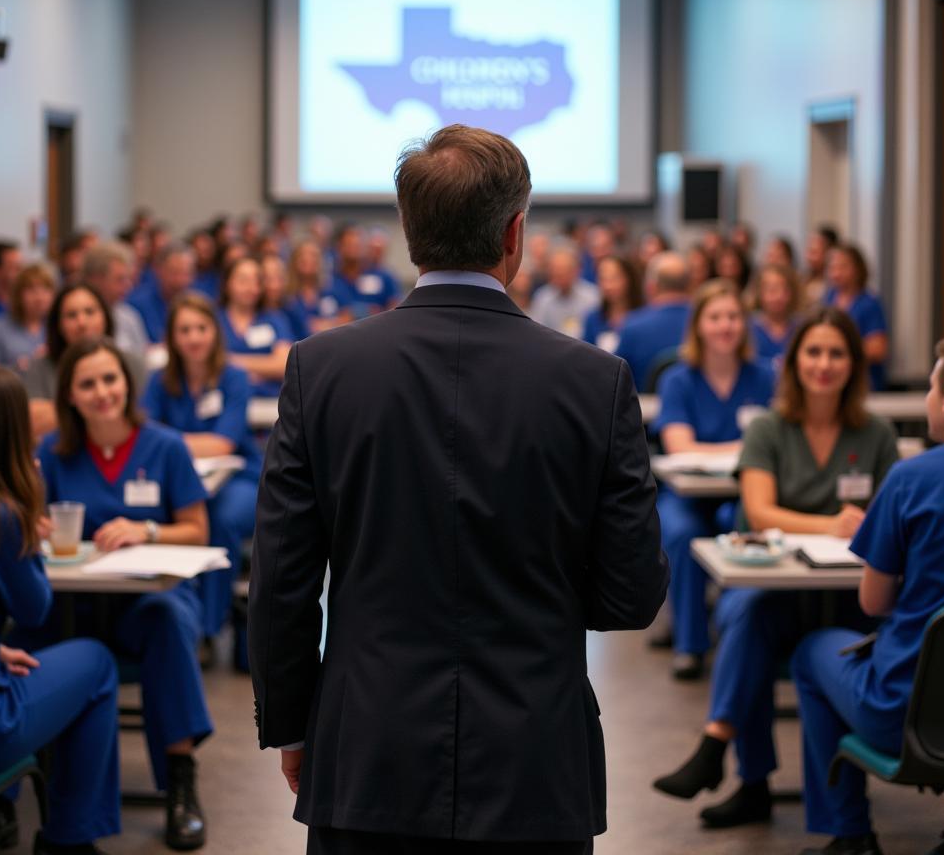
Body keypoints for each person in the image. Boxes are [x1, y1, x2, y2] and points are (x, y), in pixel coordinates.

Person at [248, 124, 669, 855]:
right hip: (537, 760)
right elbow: (629, 596)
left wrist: (291, 723)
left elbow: (282, 579)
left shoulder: (322, 370)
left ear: (408, 232)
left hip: (365, 752)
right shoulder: (595, 383)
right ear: (516, 233)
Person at [653, 307, 898, 830]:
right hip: (780, 589)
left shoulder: (875, 434)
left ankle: (720, 747)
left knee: (760, 625)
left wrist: (850, 525)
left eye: (837, 353)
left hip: (854, 596)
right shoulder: (768, 428)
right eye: (813, 352)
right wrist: (832, 524)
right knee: (749, 616)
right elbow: (760, 511)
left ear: (854, 364)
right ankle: (752, 780)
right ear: (794, 362)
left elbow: (889, 518)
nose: (824, 364)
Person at [0, 366, 120, 855]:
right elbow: (36, 609)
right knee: (97, 663)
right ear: (12, 434)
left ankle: (10, 818)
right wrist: (27, 505)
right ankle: (68, 839)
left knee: (41, 660)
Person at [35, 338, 212, 849]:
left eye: (109, 379)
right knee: (23, 627)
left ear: (127, 384)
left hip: (142, 604)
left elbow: (196, 528)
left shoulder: (164, 446)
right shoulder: (53, 453)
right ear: (69, 394)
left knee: (168, 619)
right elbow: (33, 521)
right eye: (87, 384)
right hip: (74, 602)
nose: (102, 392)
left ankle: (181, 782)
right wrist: (41, 525)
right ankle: (23, 794)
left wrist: (148, 530)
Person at [791, 335, 944, 855]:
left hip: (906, 713)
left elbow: (873, 602)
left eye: (930, 387)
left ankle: (850, 833)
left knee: (812, 652)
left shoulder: (912, 479)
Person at [651, 279, 776, 679]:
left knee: (742, 525)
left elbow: (778, 442)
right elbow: (679, 446)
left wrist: (737, 449)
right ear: (699, 325)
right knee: (683, 533)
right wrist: (747, 447)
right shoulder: (678, 380)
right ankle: (690, 645)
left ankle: (744, 637)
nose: (725, 325)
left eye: (734, 317)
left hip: (746, 493)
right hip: (686, 496)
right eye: (716, 317)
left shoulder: (766, 378)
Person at [142, 294, 261, 653]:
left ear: (215, 331)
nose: (194, 337)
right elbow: (144, 433)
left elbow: (224, 444)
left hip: (238, 478)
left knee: (218, 519)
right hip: (181, 479)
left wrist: (171, 442)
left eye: (201, 328)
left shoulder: (234, 378)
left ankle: (208, 628)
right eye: (184, 330)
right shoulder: (160, 381)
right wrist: (191, 443)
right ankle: (171, 615)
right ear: (172, 338)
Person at [23, 283, 148, 438]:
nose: (82, 322)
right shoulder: (38, 368)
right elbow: (33, 421)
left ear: (105, 317)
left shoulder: (133, 363)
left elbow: (144, 416)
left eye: (90, 312)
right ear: (58, 324)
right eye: (71, 315)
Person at [616, 251, 692, 390]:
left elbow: (616, 380)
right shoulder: (705, 323)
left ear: (652, 287)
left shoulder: (633, 326)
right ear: (689, 285)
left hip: (645, 410)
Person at [217, 257, 292, 398]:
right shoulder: (214, 320)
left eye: (256, 281)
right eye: (243, 280)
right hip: (225, 400)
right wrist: (263, 368)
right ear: (227, 283)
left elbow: (284, 365)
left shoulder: (274, 319)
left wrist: (232, 361)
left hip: (270, 401)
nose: (250, 287)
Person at [823, 243, 889, 390]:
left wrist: (840, 351)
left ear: (858, 269)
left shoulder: (869, 303)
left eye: (843, 267)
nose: (836, 273)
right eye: (832, 268)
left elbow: (878, 349)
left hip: (864, 383)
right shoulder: (828, 298)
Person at [0, 264, 55, 372]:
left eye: (45, 289)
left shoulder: (59, 326)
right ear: (18, 294)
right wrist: (17, 368)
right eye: (31, 289)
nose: (39, 297)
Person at [82, 240, 151, 356]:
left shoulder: (129, 317)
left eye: (128, 278)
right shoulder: (77, 319)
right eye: (120, 279)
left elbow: (142, 361)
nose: (128, 286)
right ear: (95, 279)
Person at [127, 242, 196, 344]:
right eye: (174, 272)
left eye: (186, 273)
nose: (180, 280)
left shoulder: (197, 304)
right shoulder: (136, 304)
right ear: (158, 270)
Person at [528, 244, 600, 337]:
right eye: (556, 272)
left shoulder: (593, 296)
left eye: (564, 271)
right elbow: (536, 332)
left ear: (576, 270)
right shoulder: (543, 298)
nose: (560, 276)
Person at [330, 224, 399, 315]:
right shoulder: (330, 279)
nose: (354, 249)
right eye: (349, 244)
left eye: (357, 244)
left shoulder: (383, 276)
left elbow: (395, 308)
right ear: (339, 247)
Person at [284, 238, 350, 333]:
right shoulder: (288, 296)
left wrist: (326, 324)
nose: (307, 259)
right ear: (294, 260)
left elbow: (348, 317)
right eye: (302, 254)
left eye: (313, 255)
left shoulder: (333, 287)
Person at [581, 255, 642, 354]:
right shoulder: (593, 319)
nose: (608, 286)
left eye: (614, 278)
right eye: (603, 279)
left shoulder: (643, 316)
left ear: (629, 278)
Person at [751, 262, 801, 369]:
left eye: (784, 290)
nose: (778, 296)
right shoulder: (747, 327)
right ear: (760, 293)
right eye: (772, 290)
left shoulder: (800, 327)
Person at [260, 253, 310, 341]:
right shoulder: (253, 315)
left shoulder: (292, 309)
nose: (274, 286)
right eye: (267, 278)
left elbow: (307, 340)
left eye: (279, 278)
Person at [803, 224, 839, 307]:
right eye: (808, 251)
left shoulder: (836, 285)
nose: (808, 257)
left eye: (814, 252)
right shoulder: (804, 279)